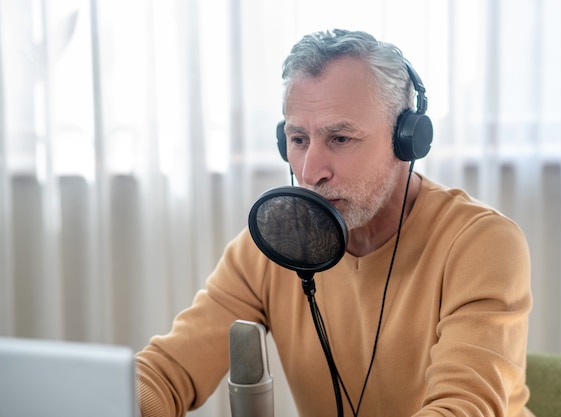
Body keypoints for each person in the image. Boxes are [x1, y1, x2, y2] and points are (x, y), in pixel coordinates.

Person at [136, 29, 533, 417]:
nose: (310, 172)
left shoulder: (481, 244)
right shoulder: (270, 248)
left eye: (340, 138)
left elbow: (465, 407)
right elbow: (168, 372)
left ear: (406, 141)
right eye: (298, 139)